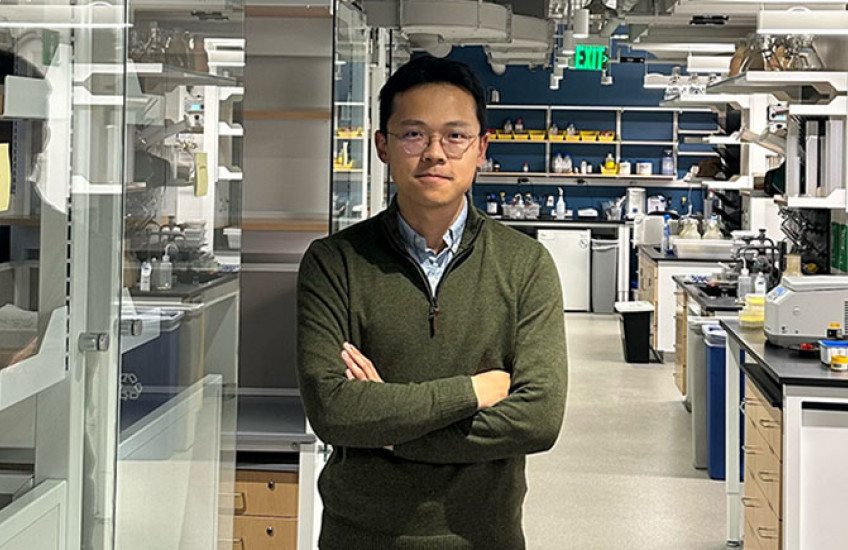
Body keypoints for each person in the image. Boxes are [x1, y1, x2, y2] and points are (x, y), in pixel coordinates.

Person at [297, 55, 568, 549]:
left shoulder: (526, 265)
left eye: (455, 136)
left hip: (483, 536)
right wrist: (473, 390)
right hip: (360, 537)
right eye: (413, 134)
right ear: (383, 145)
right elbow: (332, 409)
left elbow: (539, 419)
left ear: (482, 147)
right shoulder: (334, 263)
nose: (435, 153)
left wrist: (392, 430)